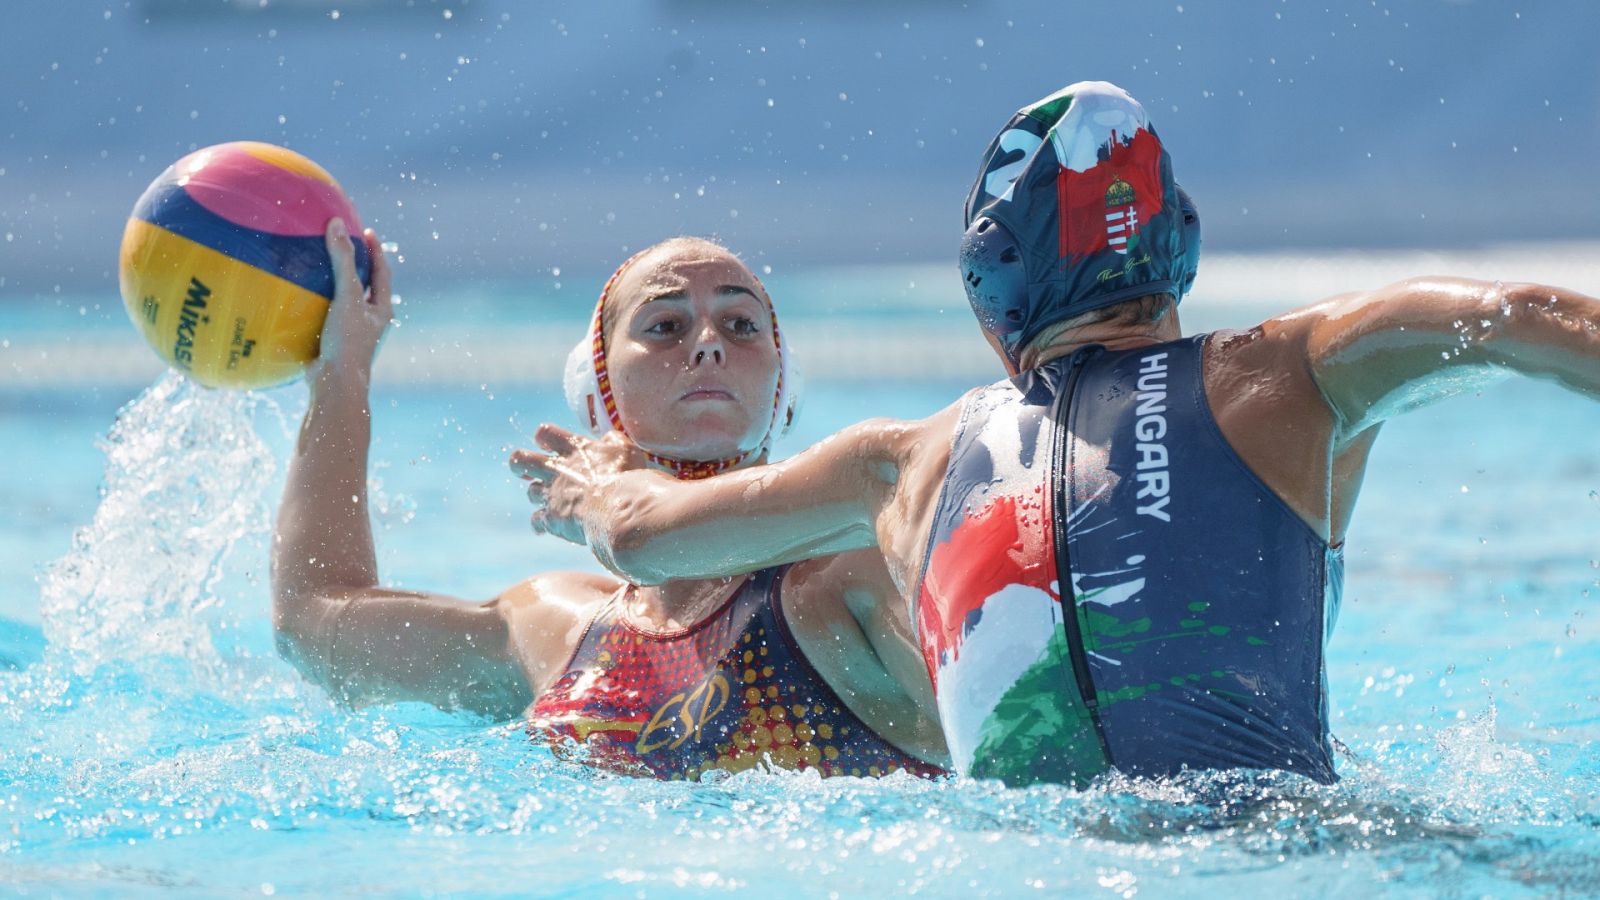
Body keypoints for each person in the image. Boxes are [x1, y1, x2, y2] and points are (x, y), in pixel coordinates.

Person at [512, 81, 1600, 787]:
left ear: (990, 291)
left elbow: (648, 539)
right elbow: (1525, 320)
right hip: (1296, 850)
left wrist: (597, 484)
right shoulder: (1292, 373)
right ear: (1177, 244)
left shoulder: (901, 462)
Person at [273, 222, 948, 780]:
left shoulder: (846, 575)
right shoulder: (557, 632)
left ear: (781, 386)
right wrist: (342, 372)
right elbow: (312, 624)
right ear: (600, 391)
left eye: (741, 325)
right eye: (665, 327)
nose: (709, 344)